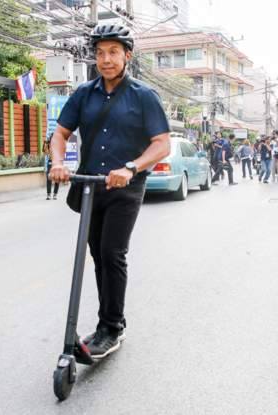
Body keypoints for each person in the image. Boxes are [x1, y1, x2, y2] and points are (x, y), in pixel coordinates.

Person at [49, 24, 171, 359]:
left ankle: (113, 327)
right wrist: (58, 162)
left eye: (113, 52)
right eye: (100, 52)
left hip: (126, 186)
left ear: (127, 55)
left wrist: (131, 167)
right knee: (98, 255)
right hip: (91, 186)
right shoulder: (83, 95)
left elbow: (161, 145)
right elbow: (59, 135)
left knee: (113, 252)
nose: (106, 59)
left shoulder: (144, 96)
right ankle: (107, 324)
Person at [43, 135, 59, 200]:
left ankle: (55, 194)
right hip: (50, 163)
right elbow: (45, 152)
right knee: (49, 178)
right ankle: (48, 194)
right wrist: (45, 144)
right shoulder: (48, 145)